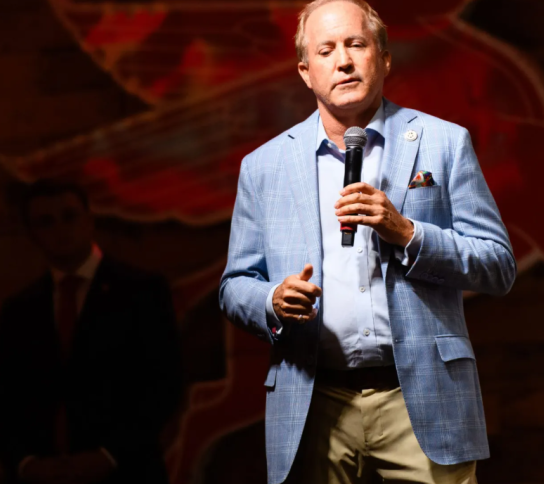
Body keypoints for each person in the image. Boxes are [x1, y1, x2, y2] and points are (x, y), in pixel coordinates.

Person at [219, 0, 516, 482]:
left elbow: (498, 265)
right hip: (315, 399)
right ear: (305, 72)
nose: (343, 61)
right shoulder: (264, 167)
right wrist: (272, 299)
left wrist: (408, 233)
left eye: (356, 44)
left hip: (422, 399)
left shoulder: (444, 143)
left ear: (384, 58)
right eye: (326, 50)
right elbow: (234, 286)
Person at [0, 181, 183, 484]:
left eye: (69, 216)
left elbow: (164, 384)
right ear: (32, 234)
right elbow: (1, 398)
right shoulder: (20, 308)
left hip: (127, 472)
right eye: (46, 222)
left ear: (89, 220)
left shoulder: (141, 291)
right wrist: (25, 463)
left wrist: (110, 455)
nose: (60, 229)